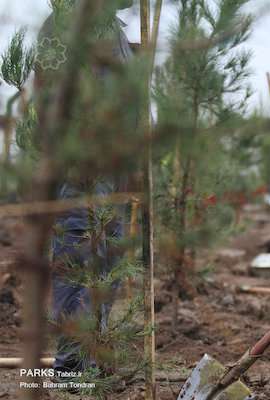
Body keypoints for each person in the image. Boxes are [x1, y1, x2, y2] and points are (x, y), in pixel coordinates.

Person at [35, 0, 134, 374]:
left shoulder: (116, 30)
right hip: (79, 170)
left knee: (108, 262)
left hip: (114, 172)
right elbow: (55, 101)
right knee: (77, 260)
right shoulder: (64, 25)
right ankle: (72, 367)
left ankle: (96, 356)